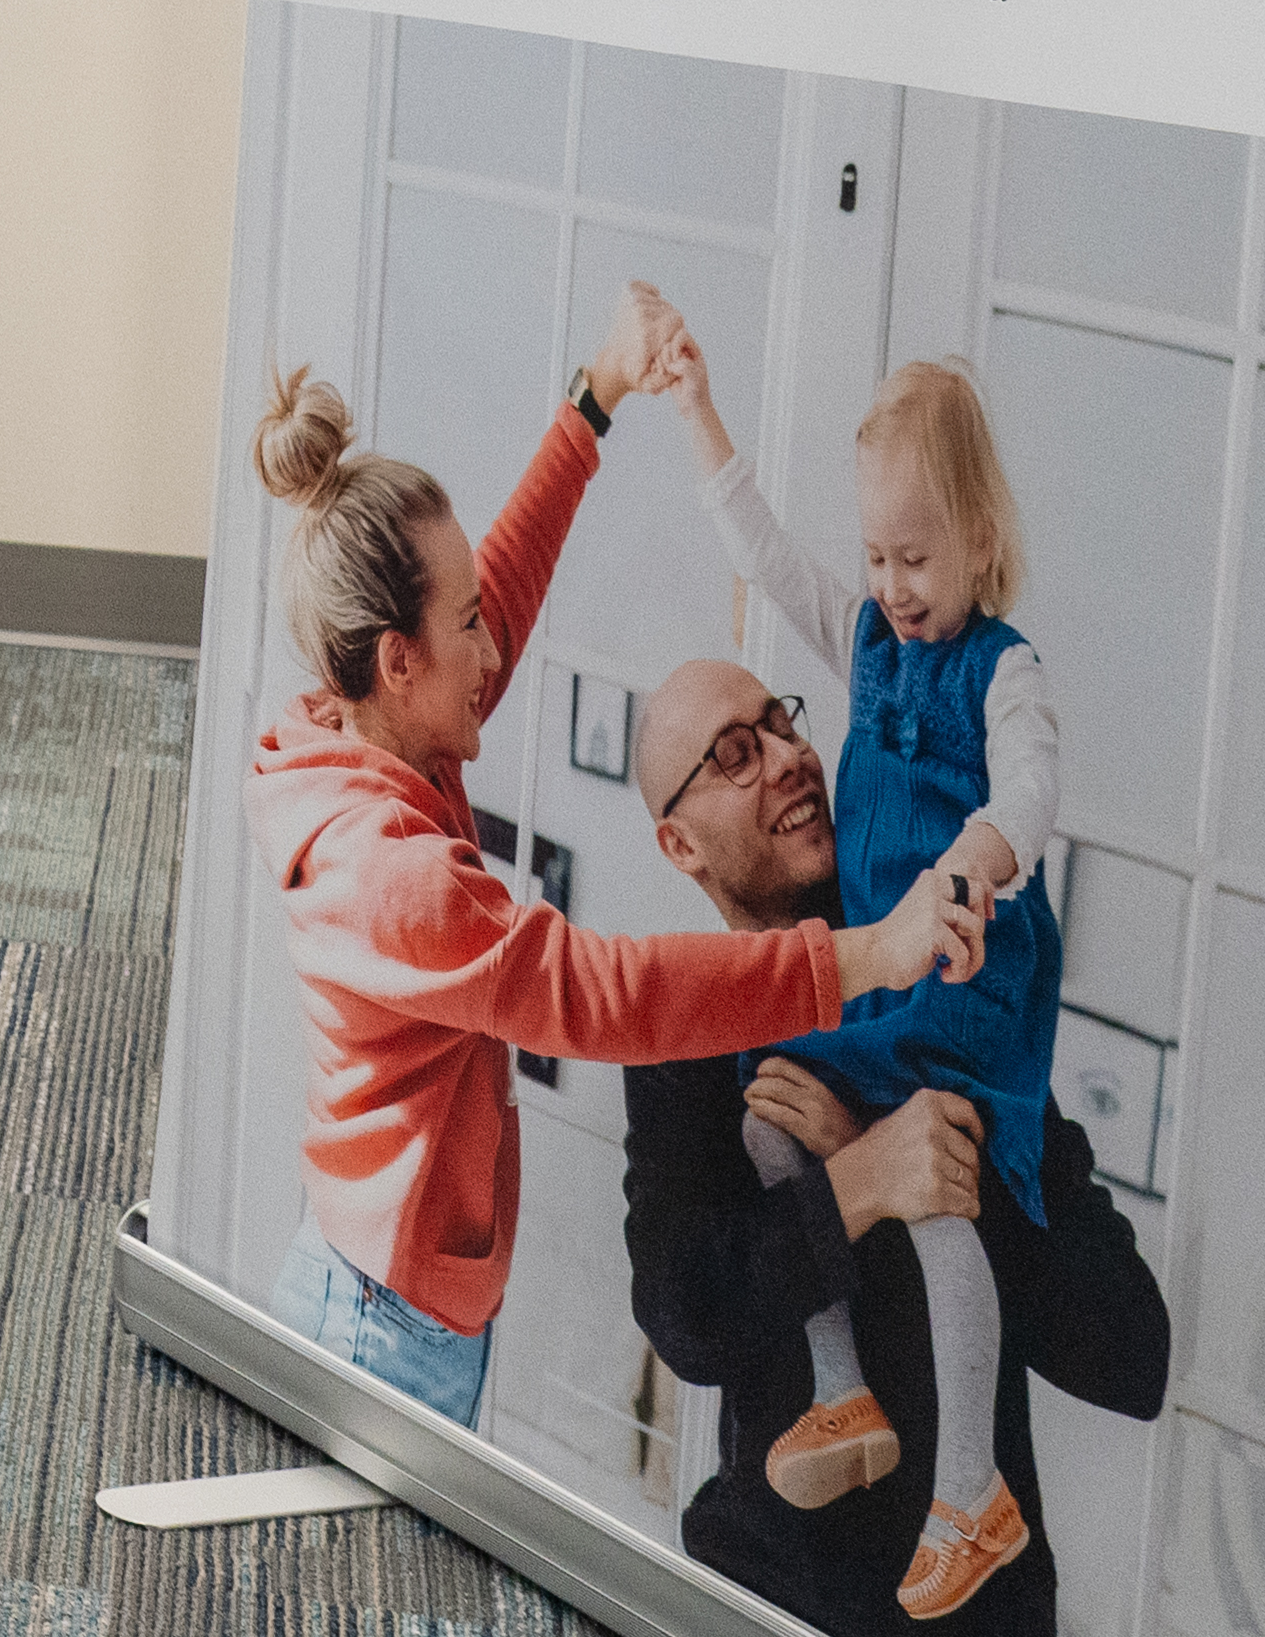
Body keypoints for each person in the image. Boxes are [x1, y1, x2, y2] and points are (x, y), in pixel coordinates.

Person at [243, 318, 991, 1426]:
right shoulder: (389, 878)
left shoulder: (370, 726)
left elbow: (496, 584)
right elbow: (601, 993)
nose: (493, 651)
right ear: (400, 664)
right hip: (379, 1320)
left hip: (392, 1287)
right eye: (465, 633)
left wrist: (591, 403)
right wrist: (863, 956)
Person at [621, 645, 1171, 1637]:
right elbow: (686, 1315)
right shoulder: (680, 1028)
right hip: (764, 1613)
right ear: (678, 843)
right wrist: (860, 1180)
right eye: (735, 753)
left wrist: (936, 1170)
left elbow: (1132, 1353)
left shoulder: (955, 996)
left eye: (782, 723)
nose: (787, 758)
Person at [638, 296, 1074, 1618]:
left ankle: (966, 1491)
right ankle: (843, 1397)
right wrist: (697, 411)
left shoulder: (998, 671)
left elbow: (1033, 794)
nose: (888, 586)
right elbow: (767, 556)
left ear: (980, 544)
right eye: (876, 557)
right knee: (778, 1130)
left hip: (951, 983)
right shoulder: (875, 644)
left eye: (916, 559)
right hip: (873, 1004)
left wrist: (967, 874)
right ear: (677, 847)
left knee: (940, 1198)